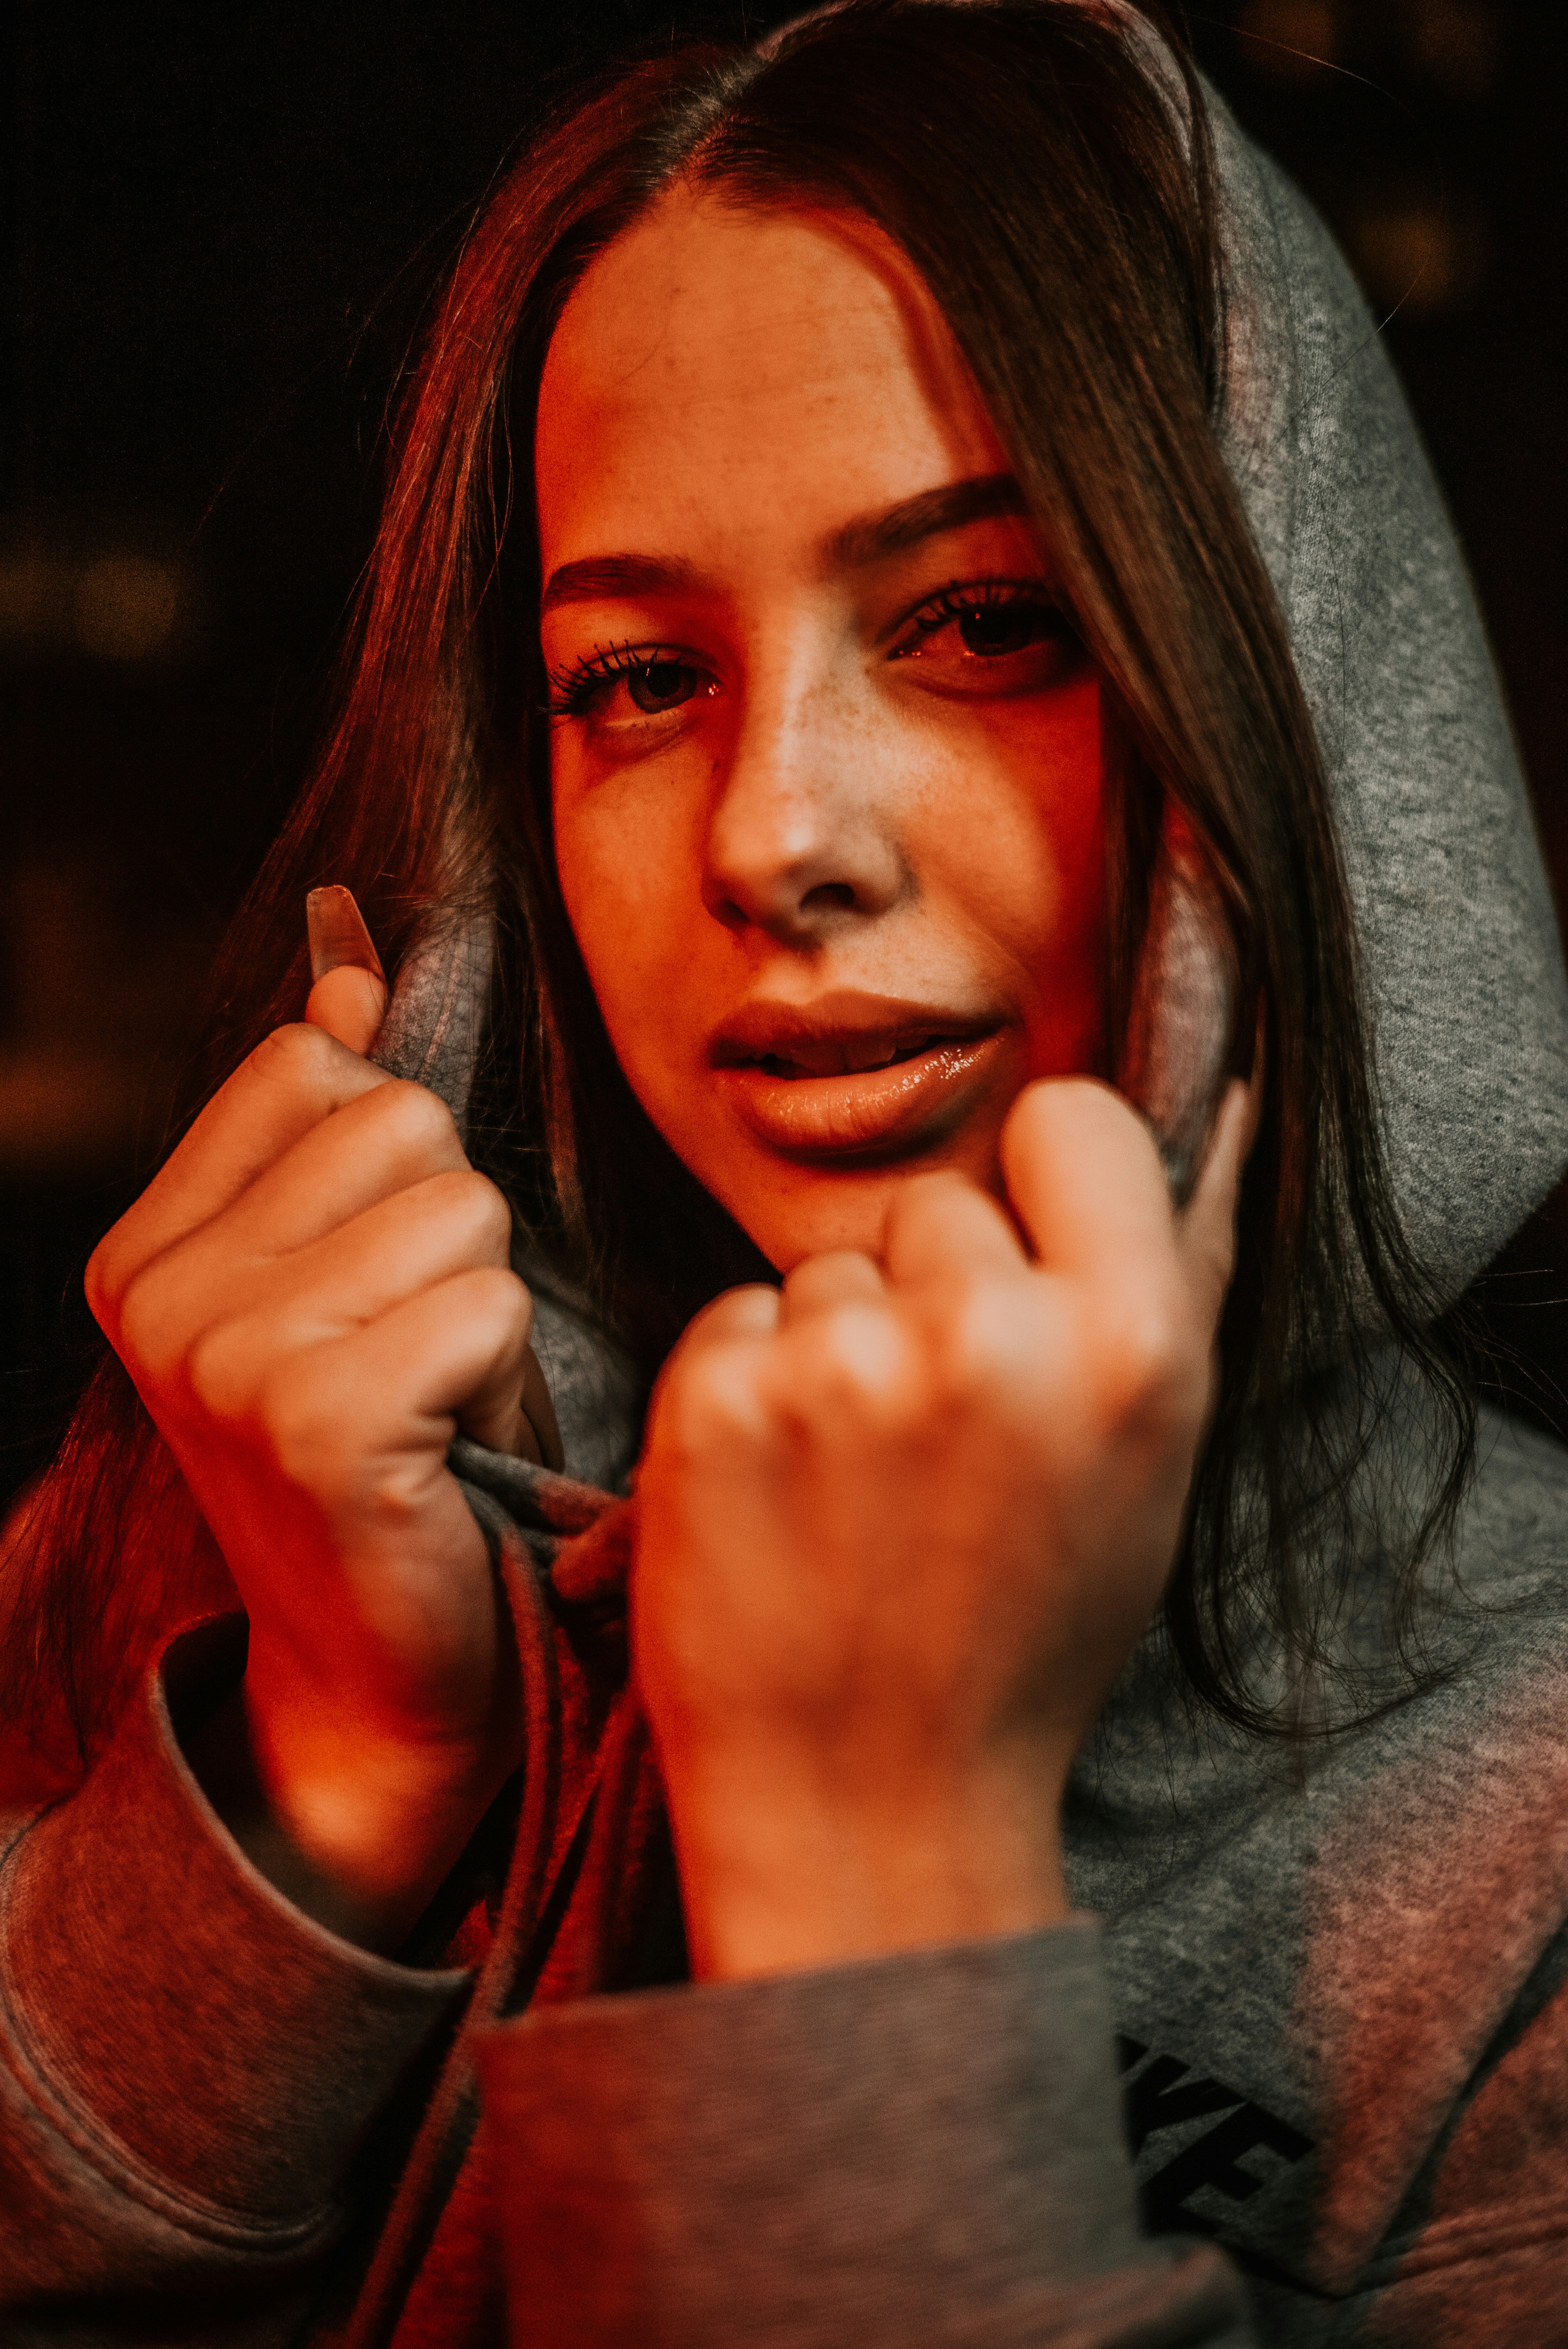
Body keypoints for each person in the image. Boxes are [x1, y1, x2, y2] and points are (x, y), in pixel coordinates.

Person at [4, 2, 1567, 2340]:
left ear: (1309, 702)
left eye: (987, 624)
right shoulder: (279, 1498)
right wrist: (331, 1768)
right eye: (638, 679)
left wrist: (875, 1872)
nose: (769, 836)